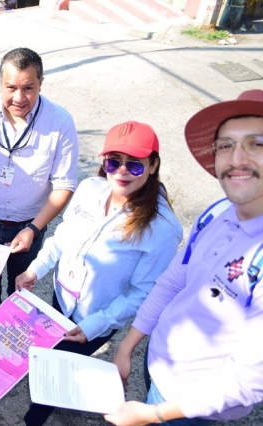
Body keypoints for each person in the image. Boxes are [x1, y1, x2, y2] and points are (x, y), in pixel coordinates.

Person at [106, 90, 263, 426]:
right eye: (226, 145)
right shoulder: (218, 211)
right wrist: (127, 346)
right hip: (160, 362)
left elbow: (247, 382)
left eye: (257, 143)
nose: (237, 159)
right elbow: (173, 281)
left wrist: (152, 414)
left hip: (193, 405)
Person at [15, 121, 183, 425]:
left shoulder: (163, 228)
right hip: (62, 299)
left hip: (95, 318)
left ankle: (33, 419)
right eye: (113, 161)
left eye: (134, 165)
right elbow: (63, 236)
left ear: (153, 164)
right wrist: (36, 268)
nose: (121, 171)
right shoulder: (90, 188)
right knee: (50, 359)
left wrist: (96, 325)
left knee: (56, 372)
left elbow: (144, 293)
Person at [0, 47, 79, 322]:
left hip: (29, 225)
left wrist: (34, 228)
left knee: (21, 291)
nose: (19, 98)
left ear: (41, 83)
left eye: (29, 88)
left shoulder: (61, 122)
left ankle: (9, 343)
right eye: (11, 88)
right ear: (0, 83)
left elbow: (64, 184)